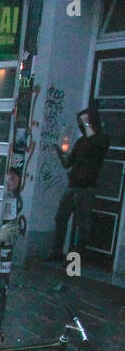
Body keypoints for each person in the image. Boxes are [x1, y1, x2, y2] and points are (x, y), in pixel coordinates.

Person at [50, 105, 109, 260]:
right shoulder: (81, 141)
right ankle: (57, 252)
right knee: (60, 218)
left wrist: (87, 123)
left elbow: (95, 147)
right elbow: (68, 163)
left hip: (86, 188)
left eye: (83, 123)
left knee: (82, 224)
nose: (81, 126)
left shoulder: (101, 140)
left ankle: (75, 258)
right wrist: (60, 154)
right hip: (73, 186)